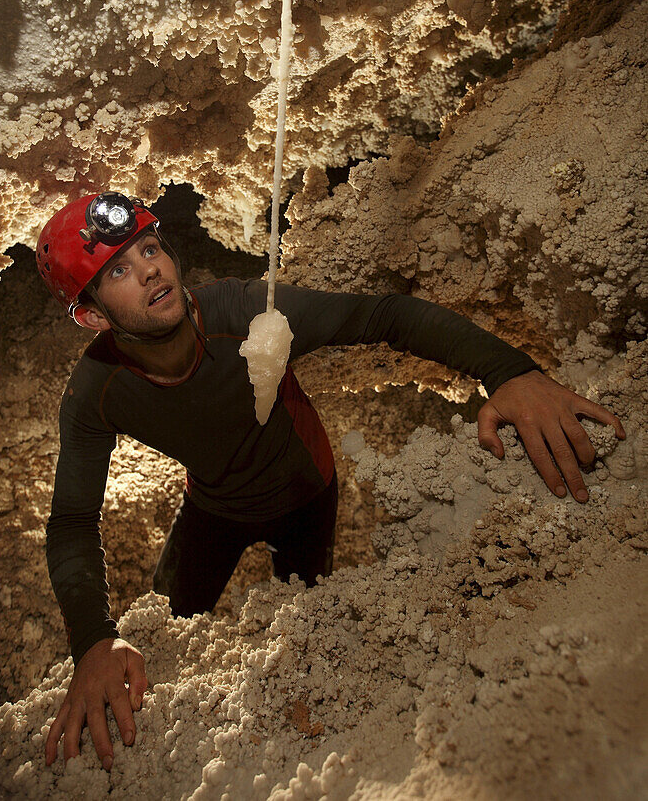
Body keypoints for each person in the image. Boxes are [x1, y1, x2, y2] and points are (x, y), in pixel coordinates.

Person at [36, 190, 626, 773]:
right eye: (118, 269)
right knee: (163, 628)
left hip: (304, 494)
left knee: (308, 624)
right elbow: (71, 523)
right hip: (211, 506)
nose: (150, 270)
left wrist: (510, 371)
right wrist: (92, 639)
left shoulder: (244, 313)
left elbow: (382, 316)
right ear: (91, 315)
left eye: (148, 247)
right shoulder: (97, 392)